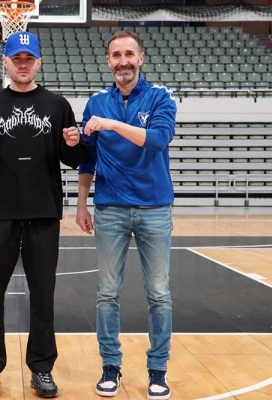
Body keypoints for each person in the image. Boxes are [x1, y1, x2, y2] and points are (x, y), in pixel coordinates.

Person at [0, 31, 87, 399]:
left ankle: (42, 368)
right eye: (17, 58)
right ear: (6, 62)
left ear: (38, 62)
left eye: (29, 59)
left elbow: (72, 159)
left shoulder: (57, 105)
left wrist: (75, 144)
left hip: (43, 212)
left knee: (43, 295)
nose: (23, 64)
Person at [76, 30, 177, 400]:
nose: (123, 61)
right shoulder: (96, 102)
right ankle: (110, 366)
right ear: (108, 61)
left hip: (154, 208)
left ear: (141, 58)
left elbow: (158, 139)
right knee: (107, 293)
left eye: (129, 54)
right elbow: (87, 157)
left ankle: (158, 370)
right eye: (116, 55)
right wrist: (81, 203)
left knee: (159, 294)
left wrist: (112, 125)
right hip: (110, 209)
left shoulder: (161, 97)